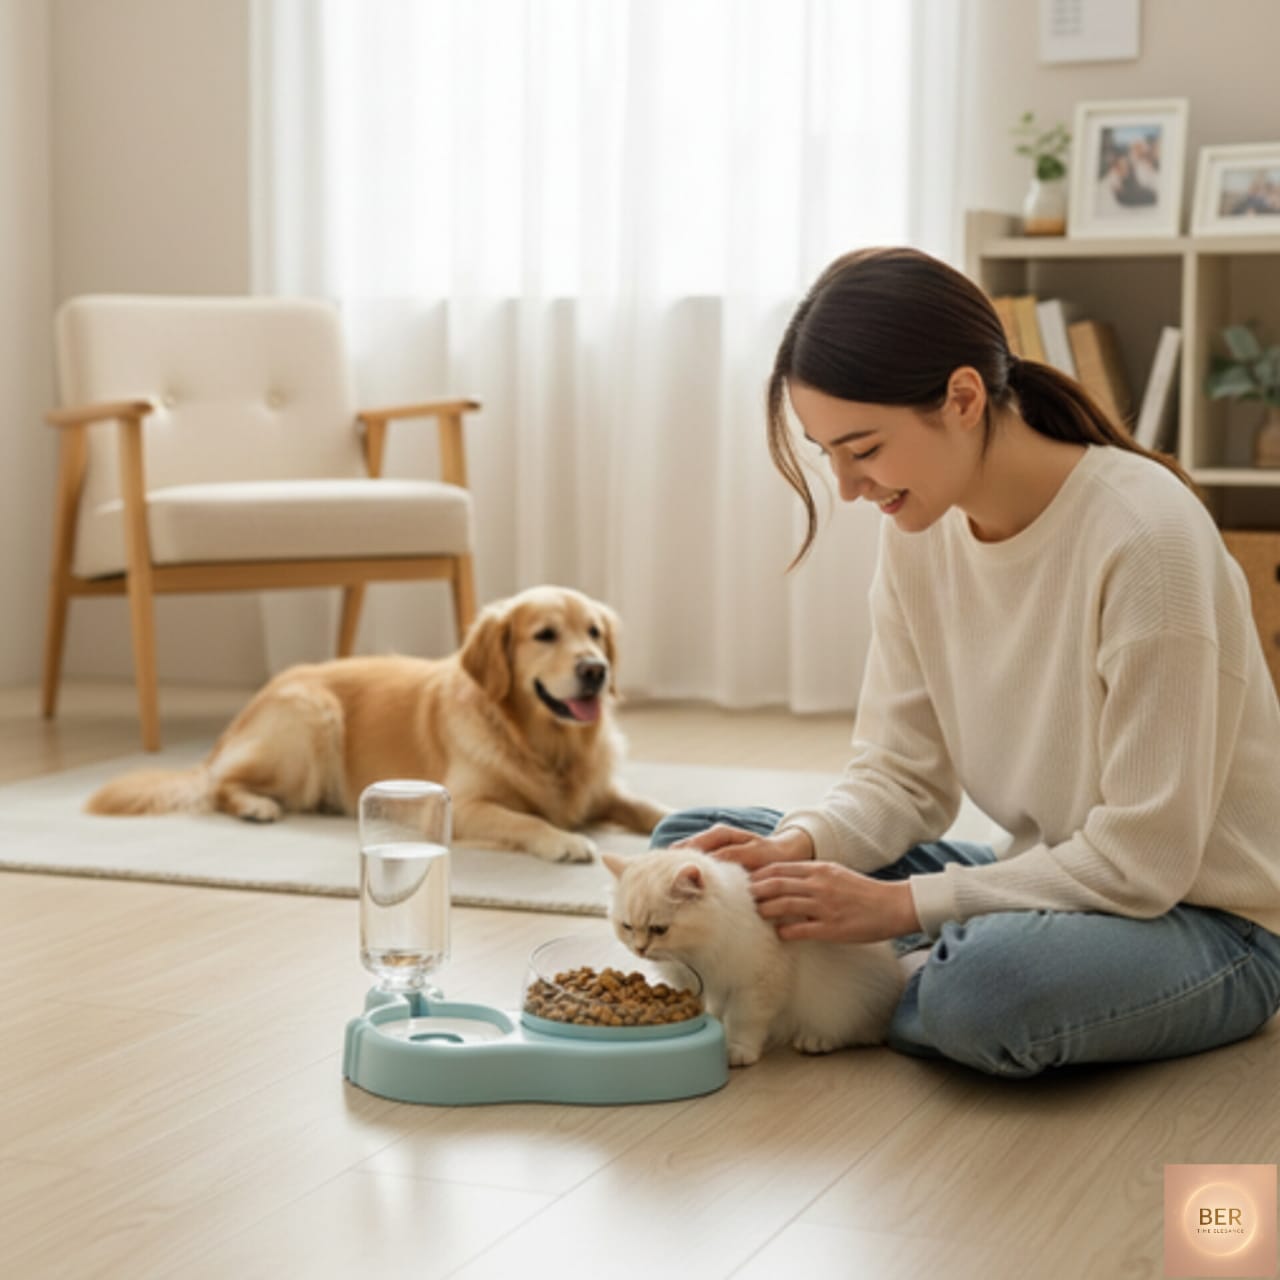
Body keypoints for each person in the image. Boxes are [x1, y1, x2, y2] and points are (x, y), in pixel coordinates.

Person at [653, 246, 1280, 1078]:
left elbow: (1143, 859)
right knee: (692, 851)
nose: (847, 487)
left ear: (962, 397)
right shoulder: (921, 533)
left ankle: (900, 976)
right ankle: (908, 960)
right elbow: (902, 777)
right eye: (827, 454)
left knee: (987, 995)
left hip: (1205, 922)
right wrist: (802, 845)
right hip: (1043, 873)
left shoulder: (1145, 540)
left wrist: (901, 905)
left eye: (863, 448)